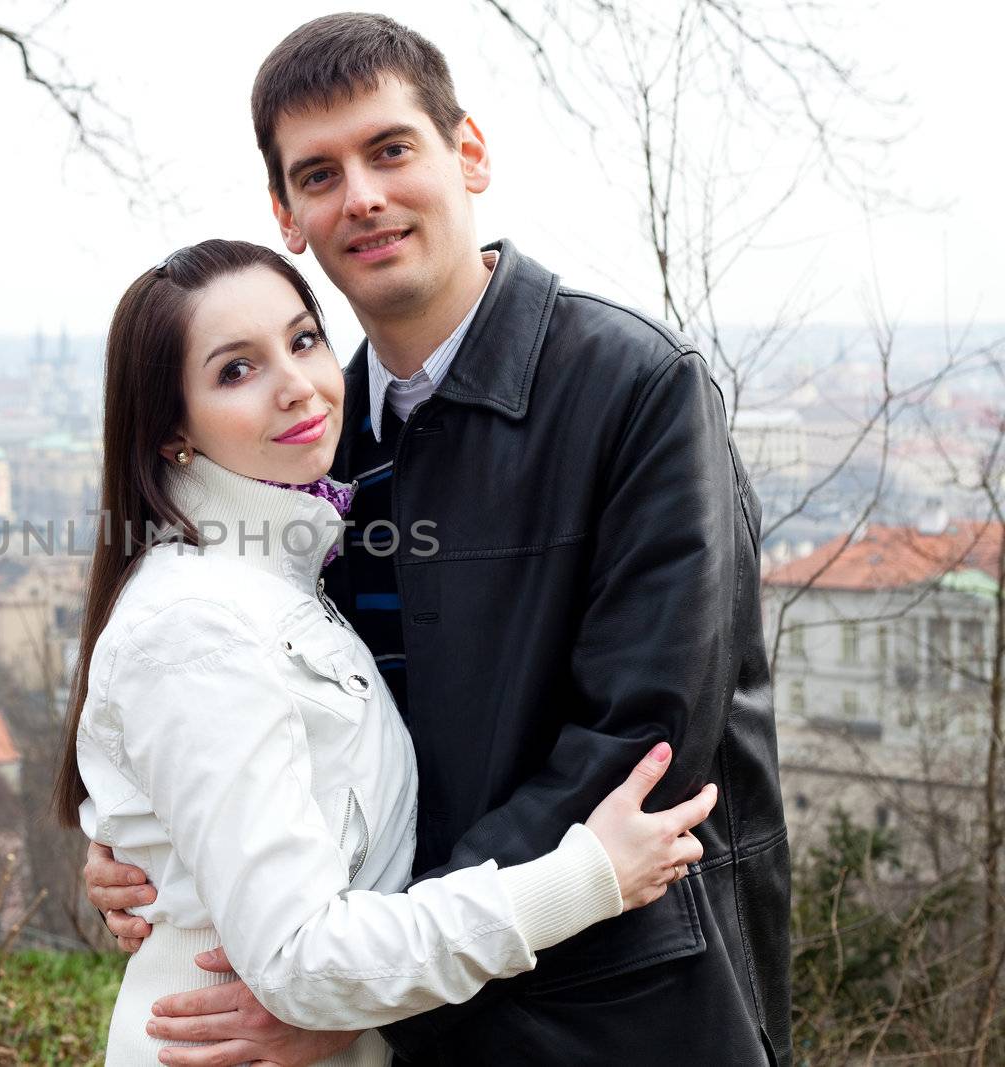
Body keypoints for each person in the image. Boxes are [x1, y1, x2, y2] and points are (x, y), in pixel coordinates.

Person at [85, 14, 791, 1067]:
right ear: (287, 215)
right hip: (426, 999)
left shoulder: (634, 389)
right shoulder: (318, 443)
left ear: (467, 153)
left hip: (613, 1005)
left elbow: (639, 746)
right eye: (318, 173)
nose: (360, 195)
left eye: (389, 149)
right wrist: (157, 849)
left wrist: (348, 983)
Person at [55, 238, 717, 1066]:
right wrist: (582, 880)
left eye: (302, 340)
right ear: (171, 432)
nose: (297, 384)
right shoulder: (199, 624)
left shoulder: (283, 574)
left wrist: (166, 835)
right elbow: (302, 958)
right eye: (235, 370)